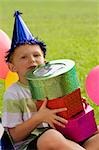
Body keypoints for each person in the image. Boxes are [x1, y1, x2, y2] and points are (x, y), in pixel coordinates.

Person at [2, 11, 99, 150]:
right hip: (33, 144)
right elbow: (13, 137)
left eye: (36, 55)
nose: (32, 60)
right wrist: (39, 118)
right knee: (50, 136)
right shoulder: (14, 94)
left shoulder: (53, 85)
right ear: (12, 67)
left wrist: (76, 107)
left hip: (64, 138)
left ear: (45, 62)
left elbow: (65, 118)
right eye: (23, 57)